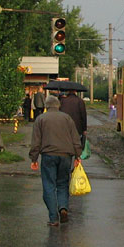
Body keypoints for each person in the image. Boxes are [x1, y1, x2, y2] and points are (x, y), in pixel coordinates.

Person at [30, 95, 82, 226]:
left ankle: (53, 218)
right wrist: (78, 156)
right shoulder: (67, 118)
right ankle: (63, 207)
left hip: (48, 155)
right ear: (58, 105)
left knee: (49, 185)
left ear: (46, 106)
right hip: (66, 155)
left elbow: (36, 141)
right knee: (63, 184)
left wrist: (34, 158)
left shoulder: (40, 119)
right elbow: (75, 138)